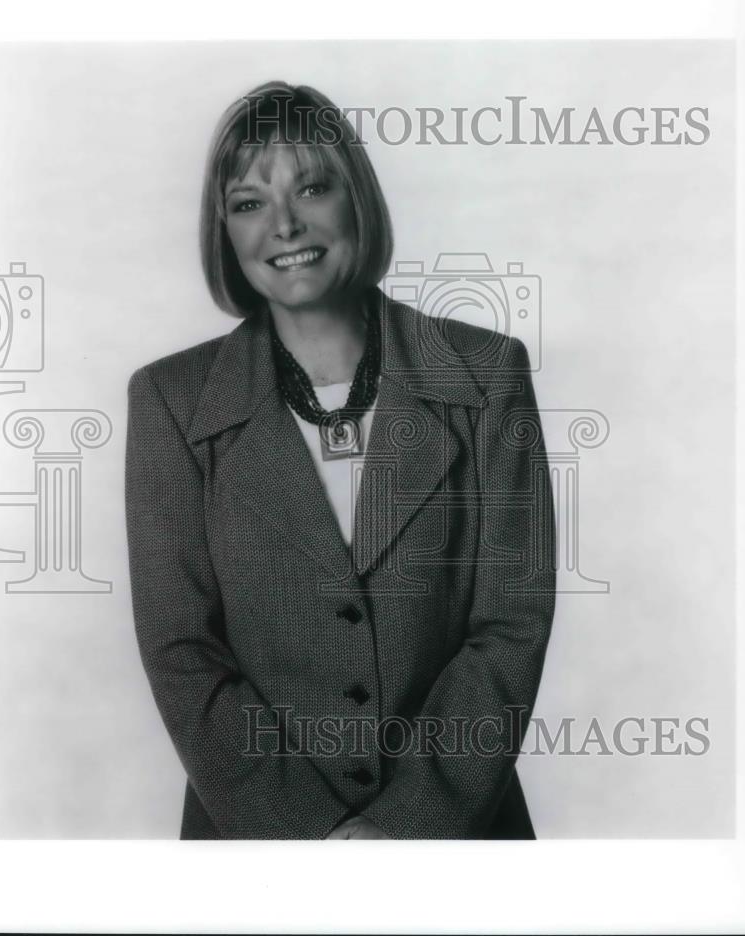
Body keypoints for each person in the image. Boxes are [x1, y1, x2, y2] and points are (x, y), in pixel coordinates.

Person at [124, 81, 556, 840]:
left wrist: (406, 827)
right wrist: (308, 836)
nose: (284, 224)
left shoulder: (487, 375)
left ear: (357, 199)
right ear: (224, 230)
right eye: (249, 202)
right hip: (253, 839)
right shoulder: (170, 400)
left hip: (457, 836)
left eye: (313, 187)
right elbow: (180, 649)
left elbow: (511, 625)